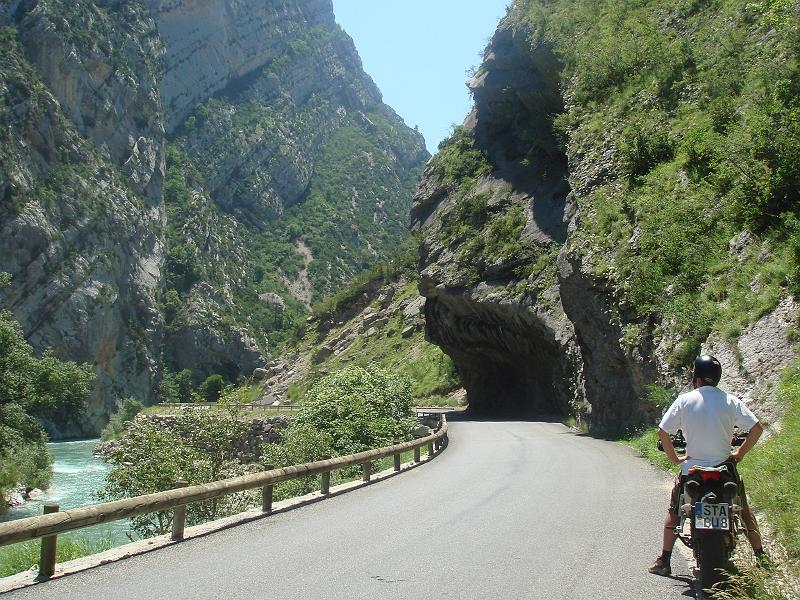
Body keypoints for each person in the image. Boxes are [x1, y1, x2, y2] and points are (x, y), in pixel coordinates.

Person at [648, 355, 765, 577]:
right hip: (724, 469)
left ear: (696, 378)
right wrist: (739, 453)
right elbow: (757, 429)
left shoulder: (685, 400)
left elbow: (663, 432)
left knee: (675, 509)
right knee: (744, 510)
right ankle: (761, 556)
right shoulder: (730, 400)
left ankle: (664, 560)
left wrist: (676, 459)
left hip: (692, 471)